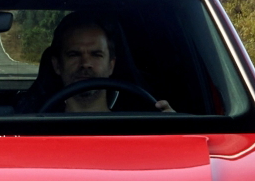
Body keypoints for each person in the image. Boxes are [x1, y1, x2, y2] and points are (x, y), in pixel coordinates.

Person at [17, 12, 173, 113]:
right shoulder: (33, 128)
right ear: (57, 65)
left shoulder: (143, 128)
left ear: (111, 65)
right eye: (74, 54)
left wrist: (176, 129)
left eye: (96, 55)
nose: (85, 63)